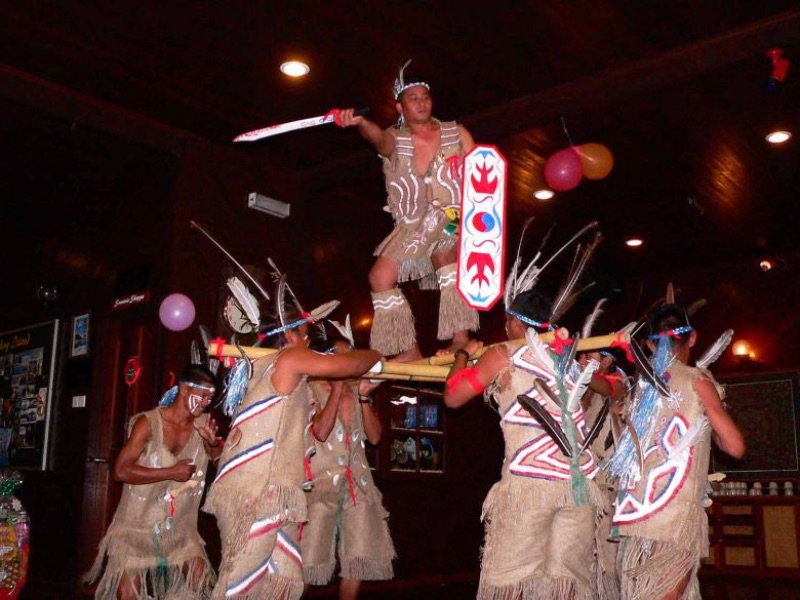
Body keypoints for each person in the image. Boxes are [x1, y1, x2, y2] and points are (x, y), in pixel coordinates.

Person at [443, 290, 625, 599]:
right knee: (564, 584)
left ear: (512, 322)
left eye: (506, 321)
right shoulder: (565, 360)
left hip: (530, 486)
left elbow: (453, 396)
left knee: (511, 582)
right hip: (578, 488)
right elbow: (612, 390)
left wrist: (462, 355)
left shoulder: (502, 353)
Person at [203, 313, 382, 600]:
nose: (308, 339)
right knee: (240, 586)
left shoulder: (279, 373)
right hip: (255, 493)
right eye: (302, 333)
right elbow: (343, 365)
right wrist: (376, 354)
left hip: (276, 494)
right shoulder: (286, 360)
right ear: (287, 337)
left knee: (285, 581)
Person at [337, 62, 478, 360]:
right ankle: (409, 349)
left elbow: (481, 172)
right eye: (412, 98)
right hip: (414, 224)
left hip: (453, 217)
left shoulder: (456, 132)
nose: (420, 102)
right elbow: (378, 139)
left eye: (424, 96)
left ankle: (462, 338)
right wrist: (361, 122)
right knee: (379, 278)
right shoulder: (395, 139)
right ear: (400, 107)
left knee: (444, 254)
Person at [606, 301, 745, 600]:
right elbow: (734, 446)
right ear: (692, 338)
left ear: (648, 343)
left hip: (637, 512)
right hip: (674, 515)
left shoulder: (640, 387)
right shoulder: (698, 382)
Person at [84, 363, 222, 600]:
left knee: (200, 582)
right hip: (137, 524)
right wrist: (170, 472)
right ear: (184, 390)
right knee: (128, 593)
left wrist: (211, 444)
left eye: (210, 398)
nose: (205, 402)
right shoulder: (149, 422)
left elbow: (219, 461)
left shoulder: (203, 423)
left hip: (180, 526)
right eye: (202, 395)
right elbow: (120, 470)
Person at [301, 337, 395, 599]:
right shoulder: (311, 389)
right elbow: (320, 431)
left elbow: (375, 437)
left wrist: (363, 398)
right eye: (341, 356)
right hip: (322, 485)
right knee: (309, 562)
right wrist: (337, 386)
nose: (348, 361)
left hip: (359, 485)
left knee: (356, 563)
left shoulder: (357, 391)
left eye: (350, 356)